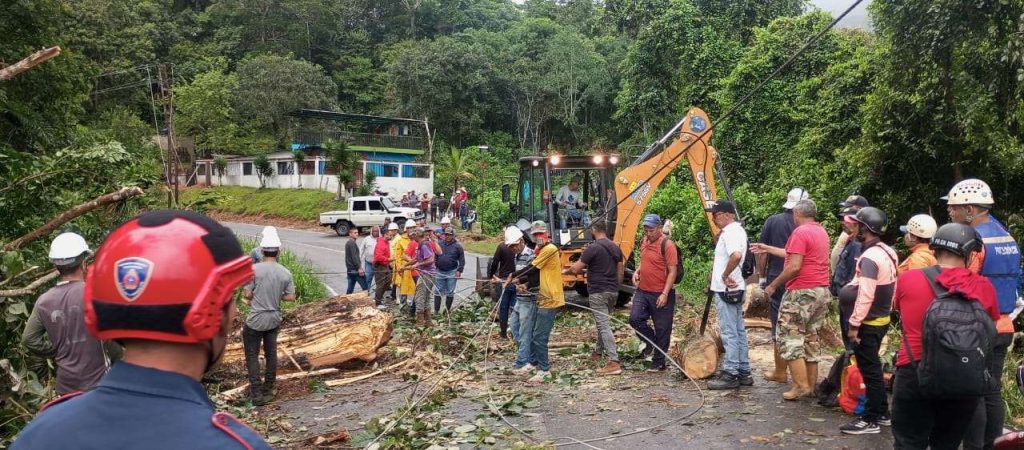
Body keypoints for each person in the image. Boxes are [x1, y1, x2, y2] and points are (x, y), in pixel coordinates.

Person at [11, 210, 270, 449]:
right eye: (231, 299)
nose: (234, 312)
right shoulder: (235, 445)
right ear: (210, 312)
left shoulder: (40, 433)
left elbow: (30, 340)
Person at [891, 223, 999, 449]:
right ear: (970, 253)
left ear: (934, 248)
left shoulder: (909, 279)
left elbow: (898, 310)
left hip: (915, 370)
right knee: (947, 444)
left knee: (908, 442)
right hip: (962, 373)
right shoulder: (984, 286)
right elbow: (991, 326)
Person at [945, 179, 1021, 450]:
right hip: (1004, 324)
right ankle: (993, 444)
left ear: (970, 209)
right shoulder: (1005, 235)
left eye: (953, 208)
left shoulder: (976, 241)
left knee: (974, 390)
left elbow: (967, 279)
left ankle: (974, 445)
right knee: (992, 389)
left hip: (980, 324)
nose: (951, 214)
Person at [751, 199, 831, 401]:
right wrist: (767, 248)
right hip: (820, 290)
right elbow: (793, 254)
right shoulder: (820, 231)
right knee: (810, 338)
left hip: (801, 291)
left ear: (797, 213)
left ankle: (800, 385)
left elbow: (794, 266)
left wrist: (773, 284)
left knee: (790, 338)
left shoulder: (800, 232)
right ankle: (811, 386)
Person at [21, 232, 112, 395]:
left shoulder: (43, 301)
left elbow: (29, 340)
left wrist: (57, 349)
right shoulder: (95, 292)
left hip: (65, 387)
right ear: (83, 263)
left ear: (56, 266)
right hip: (98, 384)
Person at [837, 207, 897, 434]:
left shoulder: (870, 257)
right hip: (879, 318)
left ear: (865, 228)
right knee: (872, 367)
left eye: (858, 225)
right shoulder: (886, 250)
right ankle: (881, 412)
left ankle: (870, 418)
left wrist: (854, 324)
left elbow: (866, 293)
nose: (855, 227)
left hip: (868, 323)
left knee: (869, 369)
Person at [756, 187, 807, 384]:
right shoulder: (809, 227)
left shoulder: (773, 221)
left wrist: (762, 277)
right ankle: (803, 376)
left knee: (778, 324)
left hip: (777, 278)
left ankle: (780, 371)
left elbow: (762, 252)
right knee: (801, 327)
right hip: (800, 281)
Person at [242, 229, 296, 405]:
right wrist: (275, 295)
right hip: (274, 319)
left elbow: (247, 294)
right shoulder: (285, 273)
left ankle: (256, 394)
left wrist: (257, 295)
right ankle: (269, 388)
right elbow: (290, 297)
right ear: (278, 251)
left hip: (256, 319)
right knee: (271, 354)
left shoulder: (253, 270)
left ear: (262, 251)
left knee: (252, 355)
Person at [564, 221, 624, 376]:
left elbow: (576, 268)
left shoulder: (593, 248)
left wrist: (567, 271)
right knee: (602, 323)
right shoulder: (616, 247)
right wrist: (615, 287)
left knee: (603, 325)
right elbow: (620, 272)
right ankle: (598, 352)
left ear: (594, 230)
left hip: (598, 291)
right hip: (612, 292)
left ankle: (614, 361)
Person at [507, 221, 563, 384]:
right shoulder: (542, 250)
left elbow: (531, 268)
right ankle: (533, 363)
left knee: (539, 336)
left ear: (547, 234)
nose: (538, 237)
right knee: (533, 333)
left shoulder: (550, 249)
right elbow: (535, 274)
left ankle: (544, 370)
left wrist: (514, 275)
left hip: (550, 298)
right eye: (536, 235)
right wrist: (523, 282)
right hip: (542, 298)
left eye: (541, 234)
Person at [705, 201, 751, 390]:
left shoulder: (731, 232)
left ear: (726, 215)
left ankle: (731, 372)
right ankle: (744, 371)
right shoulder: (736, 231)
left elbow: (736, 255)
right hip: (735, 288)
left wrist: (724, 275)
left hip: (727, 289)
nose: (714, 220)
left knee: (729, 332)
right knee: (738, 330)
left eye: (715, 216)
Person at [630, 214, 678, 372]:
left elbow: (672, 271)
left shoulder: (668, 245)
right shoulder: (644, 241)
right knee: (635, 319)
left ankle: (659, 362)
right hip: (643, 290)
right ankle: (651, 342)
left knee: (663, 328)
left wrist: (665, 293)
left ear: (659, 228)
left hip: (660, 292)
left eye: (651, 230)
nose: (648, 233)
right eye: (645, 230)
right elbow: (645, 261)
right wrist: (637, 271)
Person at [489, 226, 525, 339]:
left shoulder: (501, 246)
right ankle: (516, 332)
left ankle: (504, 333)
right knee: (516, 308)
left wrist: (491, 276)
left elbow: (494, 263)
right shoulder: (522, 249)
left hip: (505, 282)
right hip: (515, 283)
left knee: (503, 308)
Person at [403, 228, 437, 326]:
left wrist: (417, 265)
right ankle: (429, 322)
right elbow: (416, 259)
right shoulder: (421, 245)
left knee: (419, 297)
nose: (412, 236)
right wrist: (405, 266)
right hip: (427, 274)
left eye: (414, 235)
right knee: (425, 298)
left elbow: (430, 259)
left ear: (418, 235)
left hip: (427, 274)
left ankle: (420, 322)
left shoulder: (424, 245)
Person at [435, 227, 465, 314]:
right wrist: (435, 265)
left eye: (449, 235)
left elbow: (462, 260)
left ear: (453, 235)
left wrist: (459, 270)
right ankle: (436, 311)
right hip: (440, 271)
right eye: (446, 234)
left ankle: (447, 311)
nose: (447, 236)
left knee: (450, 291)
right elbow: (435, 255)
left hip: (452, 271)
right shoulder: (440, 244)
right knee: (437, 291)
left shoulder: (458, 246)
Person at [374, 224, 398, 308]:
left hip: (386, 265)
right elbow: (378, 256)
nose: (391, 236)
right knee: (380, 284)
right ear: (385, 235)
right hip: (380, 265)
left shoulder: (387, 242)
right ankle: (377, 302)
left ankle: (379, 298)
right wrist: (389, 259)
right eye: (390, 235)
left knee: (388, 281)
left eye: (391, 235)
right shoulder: (381, 243)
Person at [392, 224, 415, 310]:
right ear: (406, 229)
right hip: (404, 267)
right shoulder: (401, 240)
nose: (410, 230)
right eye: (409, 228)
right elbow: (398, 256)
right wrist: (399, 267)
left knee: (413, 285)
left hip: (414, 267)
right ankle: (402, 302)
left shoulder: (416, 240)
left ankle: (411, 303)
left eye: (412, 227)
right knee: (401, 285)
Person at [345, 227, 367, 294]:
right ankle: (368, 302)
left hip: (350, 270)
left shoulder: (349, 242)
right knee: (365, 287)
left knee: (350, 289)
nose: (357, 234)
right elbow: (355, 257)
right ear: (350, 234)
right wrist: (359, 268)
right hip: (355, 270)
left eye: (357, 232)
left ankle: (345, 302)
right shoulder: (351, 243)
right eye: (355, 233)